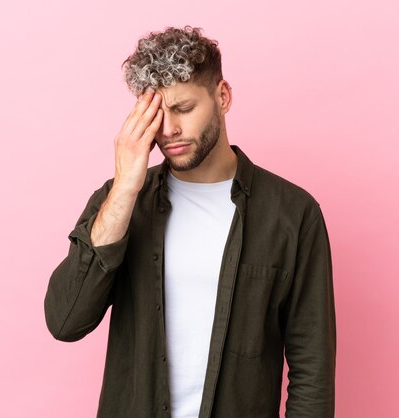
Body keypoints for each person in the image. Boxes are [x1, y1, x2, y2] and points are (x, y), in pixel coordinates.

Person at [44, 25, 336, 418]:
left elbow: (312, 366)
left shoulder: (292, 213)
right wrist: (127, 189)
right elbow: (66, 321)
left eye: (183, 109)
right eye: (154, 116)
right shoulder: (118, 202)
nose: (168, 130)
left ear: (223, 96)